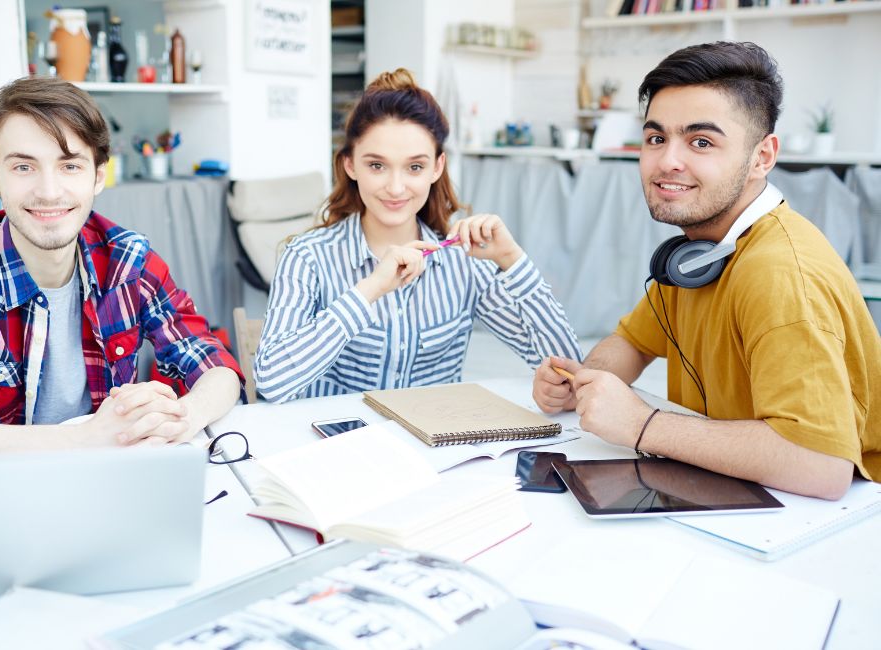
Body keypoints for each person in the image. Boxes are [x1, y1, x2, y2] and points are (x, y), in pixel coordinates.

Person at [533, 42, 879, 500]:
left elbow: (821, 466)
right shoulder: (700, 254)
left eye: (701, 142)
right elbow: (632, 342)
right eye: (656, 138)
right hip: (734, 488)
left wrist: (641, 424)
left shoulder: (780, 273)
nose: (667, 160)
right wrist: (580, 383)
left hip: (826, 515)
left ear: (762, 157)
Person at [0, 77, 243, 458]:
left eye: (70, 166)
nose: (49, 191)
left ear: (98, 176)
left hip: (103, 483)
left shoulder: (127, 260)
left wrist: (182, 417)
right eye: (23, 167)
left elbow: (215, 364)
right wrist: (87, 437)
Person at [256, 68, 580, 402]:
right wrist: (369, 290)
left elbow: (570, 369)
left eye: (414, 167)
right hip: (333, 445)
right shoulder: (308, 256)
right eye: (377, 165)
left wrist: (512, 261)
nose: (396, 188)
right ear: (350, 165)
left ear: (436, 168)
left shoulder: (463, 260)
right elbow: (272, 384)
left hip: (436, 450)